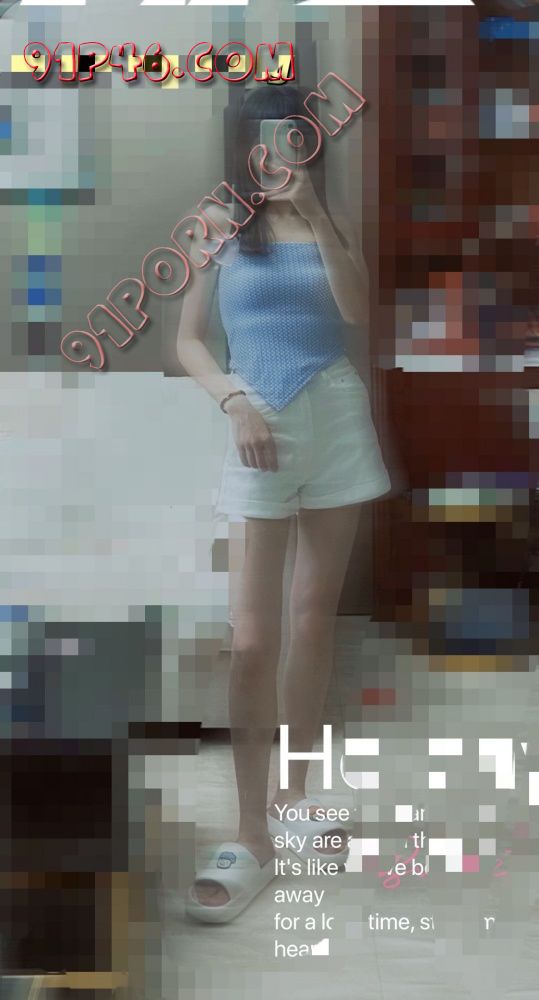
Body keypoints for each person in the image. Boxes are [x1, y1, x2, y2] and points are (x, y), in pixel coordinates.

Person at [176, 85, 391, 923]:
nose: (276, 150)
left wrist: (316, 215)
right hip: (257, 427)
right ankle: (250, 835)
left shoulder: (328, 220)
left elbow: (356, 314)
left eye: (293, 135)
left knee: (312, 622)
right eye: (263, 137)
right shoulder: (216, 223)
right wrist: (234, 402)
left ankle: (291, 799)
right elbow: (190, 341)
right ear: (243, 144)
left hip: (335, 419)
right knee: (252, 642)